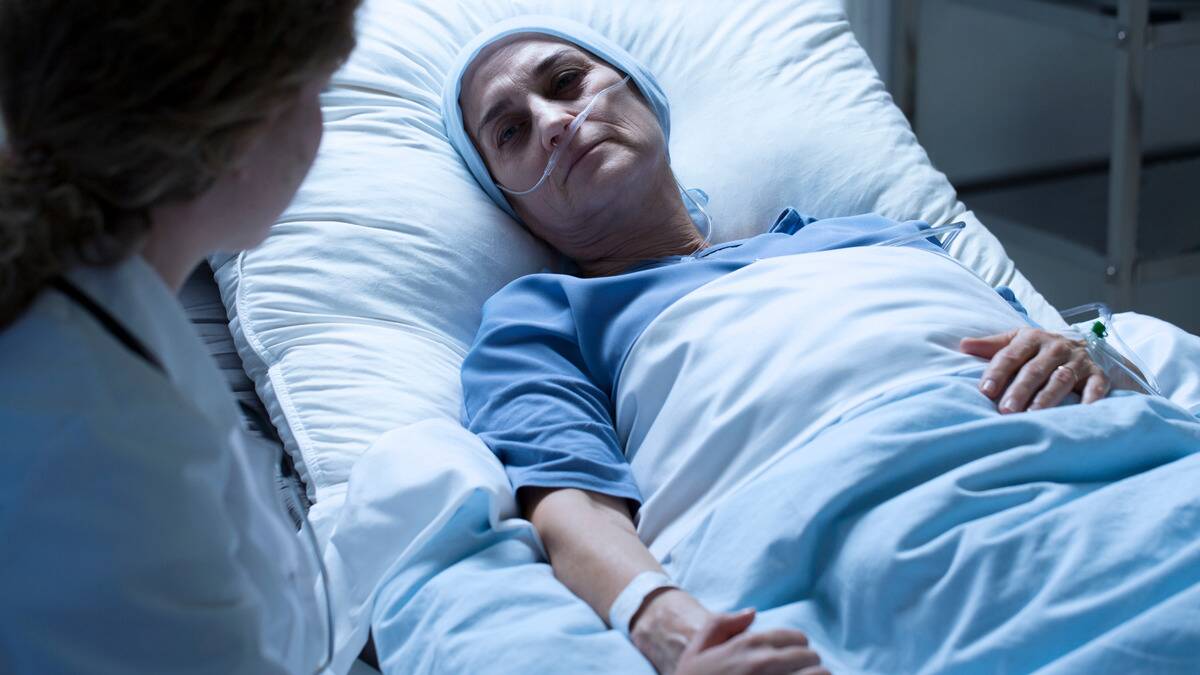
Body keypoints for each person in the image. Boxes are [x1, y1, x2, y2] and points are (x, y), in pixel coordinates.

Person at [442, 17, 1114, 675]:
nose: (555, 122)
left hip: (1084, 481)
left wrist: (1091, 359)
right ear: (514, 205)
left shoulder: (875, 235)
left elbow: (1068, 355)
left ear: (642, 95)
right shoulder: (543, 317)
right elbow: (573, 502)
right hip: (855, 545)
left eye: (565, 81)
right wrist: (667, 625)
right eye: (511, 131)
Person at [0, 1, 359, 672]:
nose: (322, 129)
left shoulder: (90, 303)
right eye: (318, 92)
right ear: (234, 139)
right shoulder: (104, 451)